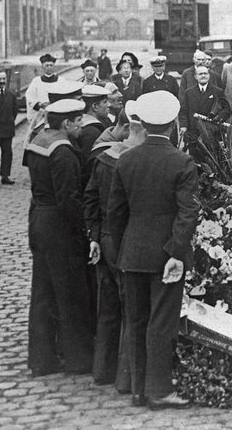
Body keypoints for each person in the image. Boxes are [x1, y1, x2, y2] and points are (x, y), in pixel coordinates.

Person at [108, 90, 198, 409]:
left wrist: (122, 252)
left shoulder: (126, 159)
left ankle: (137, 389)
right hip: (165, 256)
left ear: (142, 124)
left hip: (132, 252)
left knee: (136, 320)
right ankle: (159, 390)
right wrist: (175, 252)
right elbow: (188, 212)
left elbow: (115, 214)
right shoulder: (182, 161)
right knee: (161, 322)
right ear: (174, 123)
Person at [24, 98, 95, 377]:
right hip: (59, 228)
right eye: (78, 121)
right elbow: (68, 199)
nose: (81, 126)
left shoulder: (39, 140)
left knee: (42, 293)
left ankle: (41, 360)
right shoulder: (63, 152)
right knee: (71, 293)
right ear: (66, 123)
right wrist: (84, 228)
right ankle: (79, 359)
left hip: (39, 220)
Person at [84, 101, 142, 391]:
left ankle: (101, 370)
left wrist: (94, 236)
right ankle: (125, 379)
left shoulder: (104, 157)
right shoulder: (132, 160)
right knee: (131, 308)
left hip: (104, 238)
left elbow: (90, 198)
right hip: (124, 241)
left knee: (107, 307)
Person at [179, 65, 231, 154]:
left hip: (212, 132)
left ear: (209, 75)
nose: (203, 76)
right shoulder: (189, 92)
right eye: (200, 74)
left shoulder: (217, 91)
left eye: (205, 74)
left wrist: (219, 117)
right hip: (194, 131)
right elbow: (183, 111)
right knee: (195, 159)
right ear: (195, 76)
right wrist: (183, 125)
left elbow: (227, 109)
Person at [77, 85, 113, 177]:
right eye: (105, 102)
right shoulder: (92, 132)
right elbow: (89, 166)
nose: (109, 104)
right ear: (95, 106)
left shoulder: (82, 125)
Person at [25, 54, 59, 143]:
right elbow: (29, 96)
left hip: (56, 114)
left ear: (54, 67)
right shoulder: (36, 81)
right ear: (42, 67)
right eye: (47, 65)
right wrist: (39, 104)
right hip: (40, 115)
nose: (49, 68)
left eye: (51, 65)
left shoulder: (61, 80)